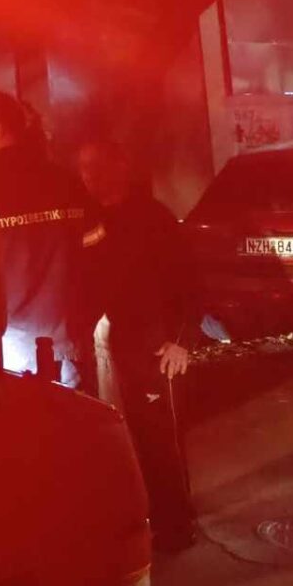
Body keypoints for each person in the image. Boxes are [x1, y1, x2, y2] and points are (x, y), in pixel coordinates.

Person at [76, 135, 200, 554]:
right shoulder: (94, 221)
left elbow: (189, 283)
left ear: (120, 167)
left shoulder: (154, 218)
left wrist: (181, 341)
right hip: (121, 345)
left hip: (159, 347)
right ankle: (151, 519)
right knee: (134, 439)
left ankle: (178, 527)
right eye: (84, 168)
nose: (90, 176)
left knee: (162, 441)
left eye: (97, 166)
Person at [0, 92, 98, 392]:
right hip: (65, 344)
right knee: (68, 417)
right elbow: (98, 252)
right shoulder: (66, 181)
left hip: (4, 345)